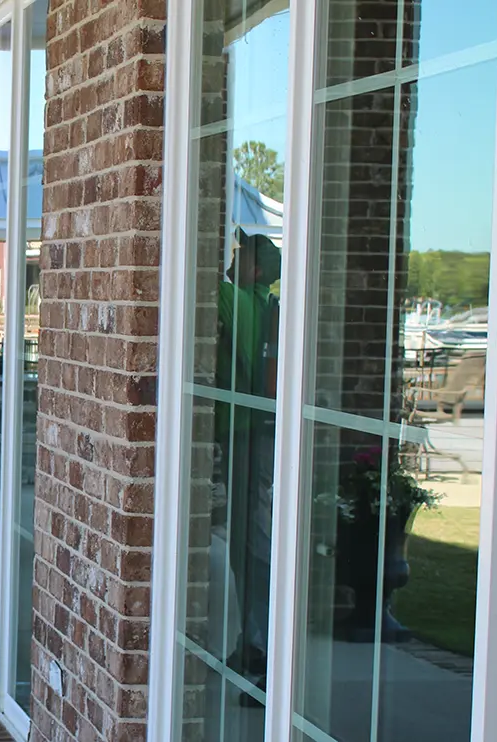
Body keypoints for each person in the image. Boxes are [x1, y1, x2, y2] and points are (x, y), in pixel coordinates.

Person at [213, 229, 280, 694]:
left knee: (254, 544)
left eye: (242, 254)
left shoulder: (244, 303)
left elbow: (195, 279)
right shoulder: (252, 304)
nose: (234, 259)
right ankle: (251, 642)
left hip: (249, 440)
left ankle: (263, 648)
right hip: (246, 438)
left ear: (257, 269)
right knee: (243, 542)